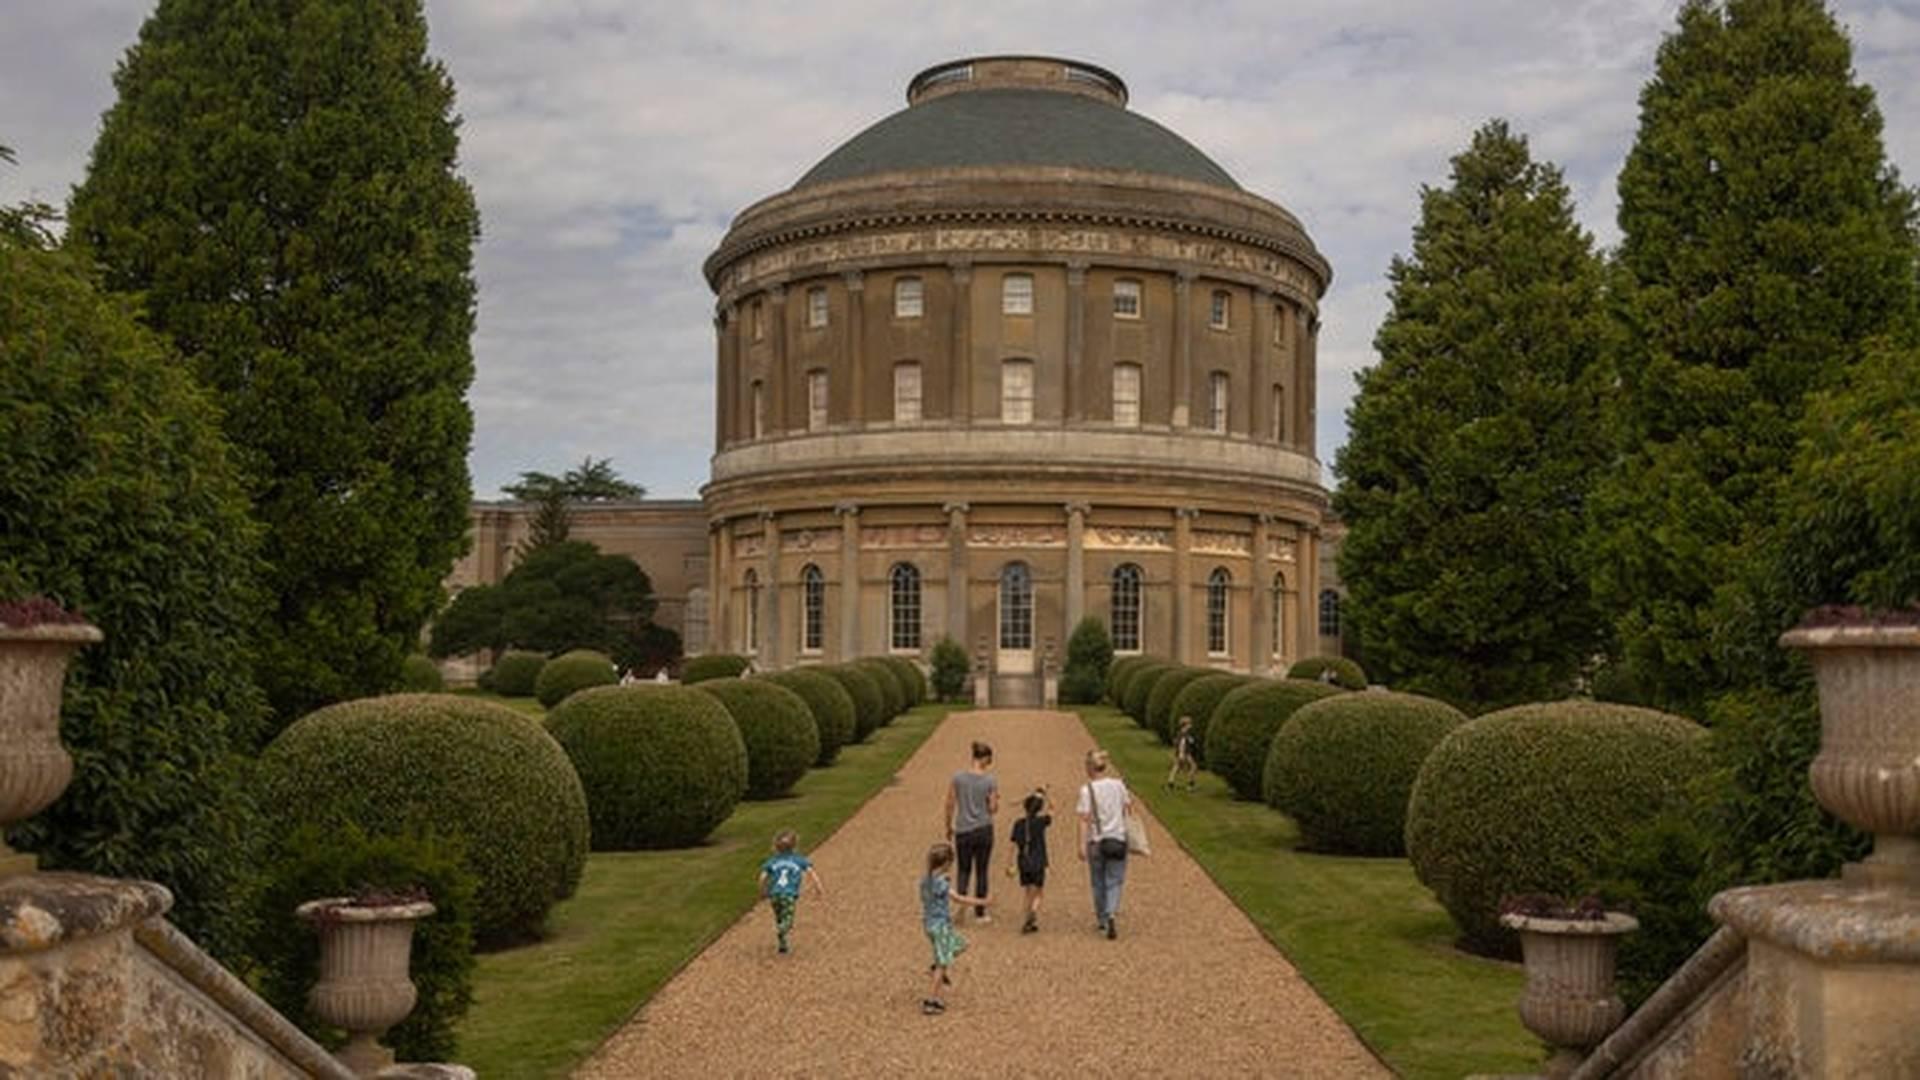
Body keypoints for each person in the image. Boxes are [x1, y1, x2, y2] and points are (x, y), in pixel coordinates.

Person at [920, 841, 988, 1015]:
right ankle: (931, 1000)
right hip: (941, 926)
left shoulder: (925, 881)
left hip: (929, 925)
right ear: (945, 864)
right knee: (943, 963)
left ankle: (936, 967)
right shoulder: (942, 885)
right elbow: (958, 899)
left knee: (959, 945)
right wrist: (982, 902)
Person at [1076, 748, 1134, 940]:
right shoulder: (1118, 785)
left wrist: (1081, 845)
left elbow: (1084, 820)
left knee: (1098, 882)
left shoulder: (1087, 790)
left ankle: (1102, 919)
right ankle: (1111, 913)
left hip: (1097, 841)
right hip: (1118, 838)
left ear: (1090, 768)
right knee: (1115, 880)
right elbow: (1128, 808)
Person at [942, 741, 998, 923]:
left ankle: (961, 908)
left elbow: (950, 803)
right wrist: (994, 799)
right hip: (983, 829)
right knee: (982, 871)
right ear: (985, 759)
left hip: (963, 829)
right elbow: (992, 808)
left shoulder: (958, 777)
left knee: (963, 869)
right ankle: (980, 912)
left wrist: (948, 826)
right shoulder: (990, 780)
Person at [757, 829, 826, 955]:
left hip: (774, 894)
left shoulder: (773, 861)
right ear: (795, 845)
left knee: (779, 917)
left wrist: (762, 891)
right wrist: (818, 888)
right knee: (788, 919)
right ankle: (782, 930)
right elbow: (812, 874)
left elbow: (762, 877)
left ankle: (783, 945)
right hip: (789, 895)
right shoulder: (799, 860)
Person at [1008, 787, 1052, 933]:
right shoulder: (1041, 822)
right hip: (1038, 861)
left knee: (1027, 892)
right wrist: (1045, 795)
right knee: (1039, 892)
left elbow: (1013, 845)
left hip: (1023, 862)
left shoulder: (1018, 824)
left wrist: (1010, 864)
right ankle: (1033, 912)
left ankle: (1027, 918)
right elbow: (1053, 808)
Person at [1166, 716, 1199, 792]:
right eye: (1189, 724)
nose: (1191, 725)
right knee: (1193, 767)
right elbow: (1182, 745)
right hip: (1185, 753)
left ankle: (1170, 783)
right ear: (1185, 725)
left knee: (1176, 767)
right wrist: (1182, 755)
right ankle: (1190, 785)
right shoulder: (1184, 735)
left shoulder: (1183, 734)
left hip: (1182, 753)